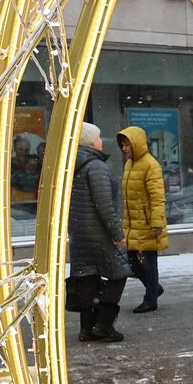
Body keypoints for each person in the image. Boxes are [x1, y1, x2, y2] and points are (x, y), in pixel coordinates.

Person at [68, 123, 131, 342]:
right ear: (90, 141)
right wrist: (118, 235)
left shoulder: (71, 165)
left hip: (78, 232)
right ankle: (104, 324)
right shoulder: (95, 167)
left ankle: (86, 329)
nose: (101, 140)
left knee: (87, 277)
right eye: (99, 136)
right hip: (98, 233)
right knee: (119, 273)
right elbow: (105, 206)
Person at [117, 125, 167, 312]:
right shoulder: (129, 165)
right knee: (131, 263)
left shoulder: (151, 165)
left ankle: (150, 299)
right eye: (122, 145)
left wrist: (156, 223)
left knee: (148, 263)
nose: (124, 149)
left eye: (127, 145)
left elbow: (157, 197)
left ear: (136, 144)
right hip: (132, 224)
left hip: (147, 224)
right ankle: (154, 288)